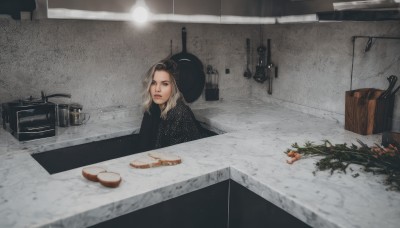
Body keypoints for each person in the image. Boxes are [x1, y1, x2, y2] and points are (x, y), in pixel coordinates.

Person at [138, 59, 207, 151]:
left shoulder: (179, 112)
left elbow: (174, 157)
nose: (157, 89)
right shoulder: (152, 108)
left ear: (173, 88)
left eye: (164, 84)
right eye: (153, 83)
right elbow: (142, 148)